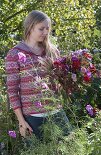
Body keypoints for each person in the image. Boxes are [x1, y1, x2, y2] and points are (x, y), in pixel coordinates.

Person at [5, 10, 72, 140]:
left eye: (48, 28)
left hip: (56, 111)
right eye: (41, 29)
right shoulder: (14, 54)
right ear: (30, 27)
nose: (46, 32)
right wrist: (21, 121)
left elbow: (60, 81)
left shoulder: (52, 51)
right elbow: (12, 91)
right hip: (33, 117)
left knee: (69, 150)